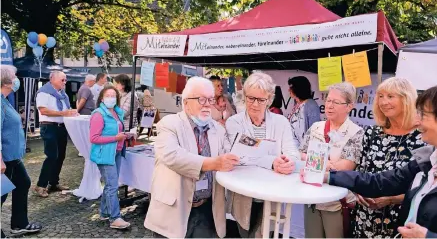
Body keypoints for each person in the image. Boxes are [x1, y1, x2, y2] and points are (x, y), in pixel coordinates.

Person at [318, 81, 437, 238]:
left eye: (424, 115)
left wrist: (428, 237)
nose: (418, 121)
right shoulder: (428, 161)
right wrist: (327, 176)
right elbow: (380, 182)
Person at [144, 76, 239, 238]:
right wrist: (213, 163)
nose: (207, 104)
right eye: (201, 99)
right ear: (186, 102)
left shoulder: (218, 129)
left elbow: (230, 155)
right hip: (173, 210)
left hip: (207, 210)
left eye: (210, 99)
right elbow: (173, 156)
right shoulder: (168, 124)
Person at [345, 77, 426, 238]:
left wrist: (391, 199)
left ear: (407, 99)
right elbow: (361, 172)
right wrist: (359, 192)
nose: (383, 102)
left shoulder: (423, 137)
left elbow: (425, 187)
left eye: (390, 96)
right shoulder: (371, 133)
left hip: (401, 223)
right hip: (365, 218)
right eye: (380, 96)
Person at [225, 72, 300, 238]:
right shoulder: (234, 122)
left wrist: (288, 162)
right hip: (244, 194)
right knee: (245, 233)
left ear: (270, 99)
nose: (254, 104)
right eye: (251, 98)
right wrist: (272, 162)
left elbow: (292, 152)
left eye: (261, 100)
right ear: (244, 96)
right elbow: (239, 157)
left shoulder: (281, 123)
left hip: (272, 193)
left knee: (264, 234)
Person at [299, 82, 363, 238]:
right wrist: (325, 164)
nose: (330, 105)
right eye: (328, 100)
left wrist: (315, 163)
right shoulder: (316, 127)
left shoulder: (356, 133)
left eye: (336, 102)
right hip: (312, 198)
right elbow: (301, 153)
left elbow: (346, 165)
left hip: (337, 203)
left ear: (349, 106)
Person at [1, 65, 42, 237]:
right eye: (15, 76)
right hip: (6, 158)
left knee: (23, 183)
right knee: (1, 194)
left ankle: (19, 224)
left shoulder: (5, 100)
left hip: (13, 157)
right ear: (7, 81)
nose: (17, 79)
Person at [90, 85, 131, 229]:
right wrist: (115, 137)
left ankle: (104, 211)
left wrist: (126, 135)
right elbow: (94, 138)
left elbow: (118, 131)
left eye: (113, 95)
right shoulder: (98, 114)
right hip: (105, 155)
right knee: (112, 186)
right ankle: (115, 218)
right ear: (102, 98)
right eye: (108, 95)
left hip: (117, 152)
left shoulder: (117, 112)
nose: (111, 98)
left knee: (110, 185)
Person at [34, 71, 77, 198]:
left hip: (61, 127)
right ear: (52, 79)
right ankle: (41, 186)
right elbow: (43, 110)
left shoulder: (62, 94)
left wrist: (71, 113)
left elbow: (65, 110)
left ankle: (53, 183)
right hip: (49, 126)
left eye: (65, 80)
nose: (65, 82)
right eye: (62, 80)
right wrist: (63, 113)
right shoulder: (43, 92)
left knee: (61, 156)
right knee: (52, 156)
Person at [287, 76, 321, 148]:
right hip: (293, 149)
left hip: (304, 151)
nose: (288, 90)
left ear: (298, 88)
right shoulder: (297, 104)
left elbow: (315, 131)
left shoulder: (311, 105)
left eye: (291, 87)